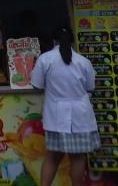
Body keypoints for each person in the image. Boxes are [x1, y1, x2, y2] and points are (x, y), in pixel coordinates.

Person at [30, 27, 98, 186]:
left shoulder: (45, 59)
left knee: (52, 157)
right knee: (78, 158)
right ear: (73, 42)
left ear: (53, 41)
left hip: (56, 116)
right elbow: (90, 87)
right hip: (80, 117)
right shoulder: (84, 62)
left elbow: (36, 85)